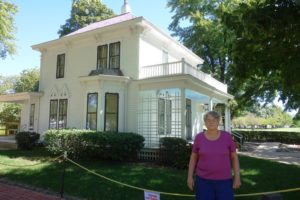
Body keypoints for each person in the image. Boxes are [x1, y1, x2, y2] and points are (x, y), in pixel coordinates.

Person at [187, 111, 241, 200]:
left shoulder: (227, 137)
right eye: (208, 120)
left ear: (218, 121)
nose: (211, 122)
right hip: (203, 181)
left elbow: (234, 158)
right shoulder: (199, 138)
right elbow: (193, 158)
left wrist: (237, 177)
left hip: (224, 181)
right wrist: (189, 177)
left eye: (214, 120)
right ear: (205, 122)